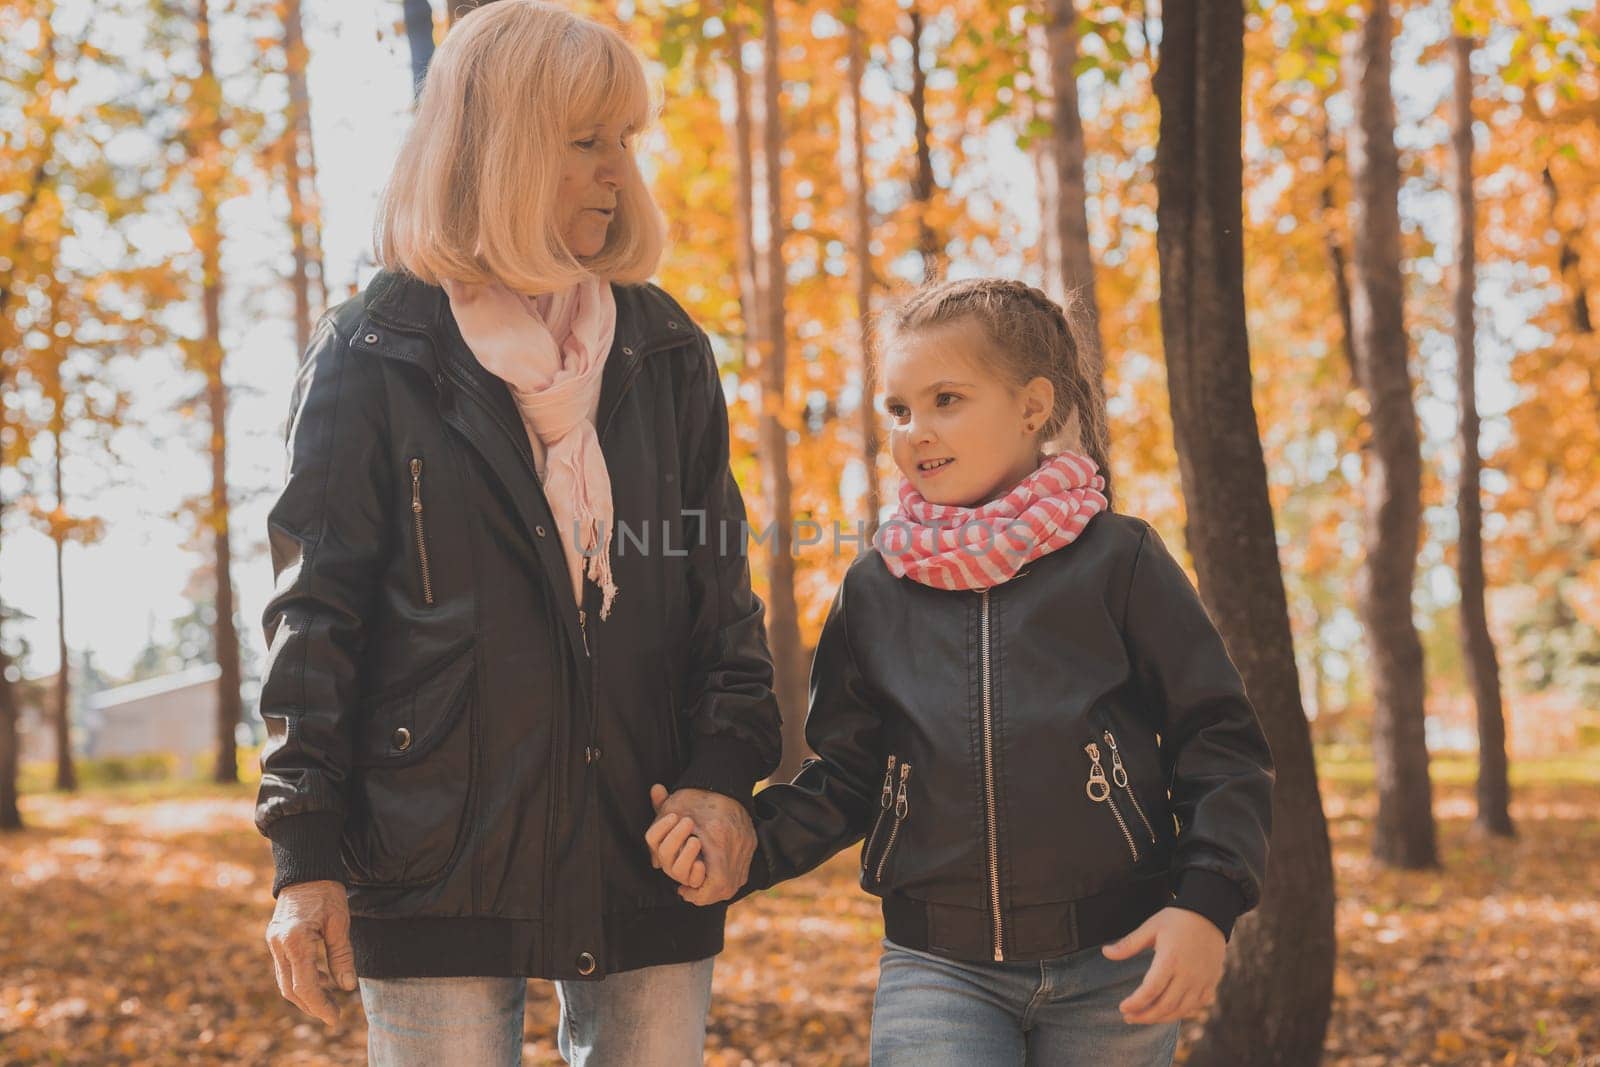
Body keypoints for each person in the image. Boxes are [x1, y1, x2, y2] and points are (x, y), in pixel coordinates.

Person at [253, 4, 780, 1063]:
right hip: (428, 846)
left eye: (625, 142)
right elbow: (317, 613)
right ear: (494, 151)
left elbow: (718, 602)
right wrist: (304, 850)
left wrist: (724, 777)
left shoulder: (666, 350)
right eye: (586, 143)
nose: (618, 173)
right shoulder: (373, 350)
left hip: (651, 834)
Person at [649, 278, 1275, 1065]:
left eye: (947, 398)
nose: (916, 431)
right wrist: (746, 849)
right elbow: (846, 777)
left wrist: (1206, 904)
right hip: (939, 967)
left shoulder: (1120, 560)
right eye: (899, 409)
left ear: (1032, 405)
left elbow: (1221, 743)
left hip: (1116, 960)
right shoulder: (876, 588)